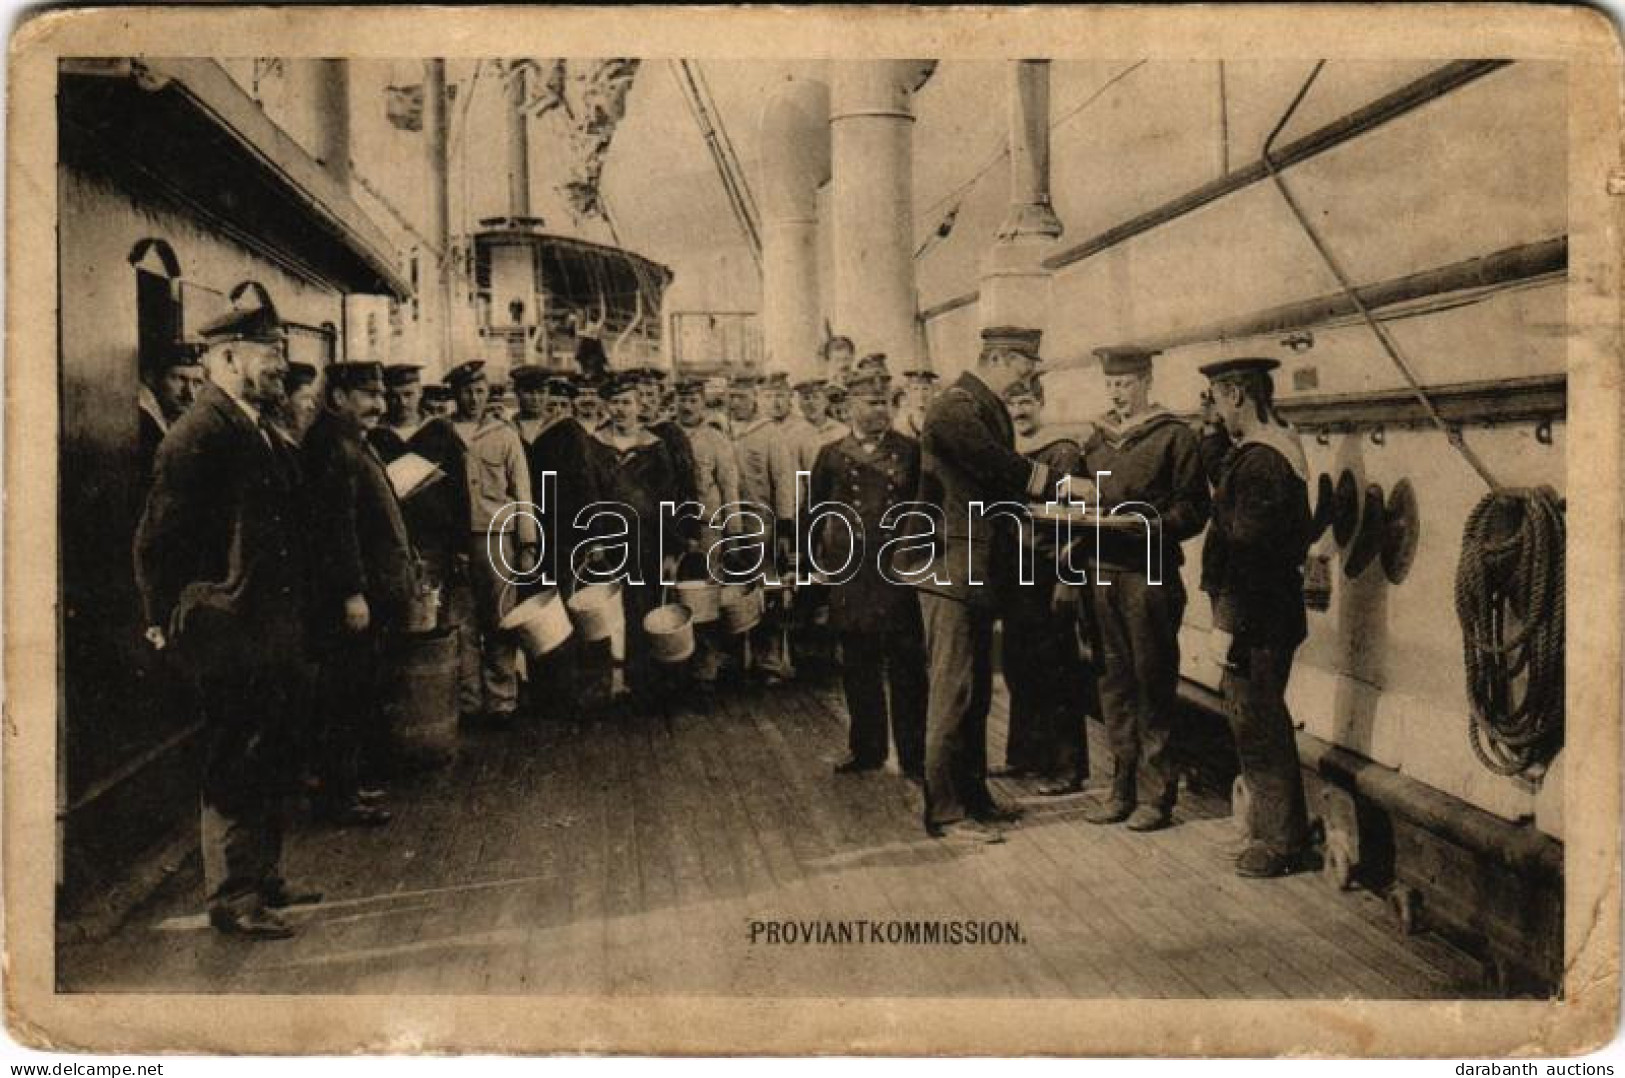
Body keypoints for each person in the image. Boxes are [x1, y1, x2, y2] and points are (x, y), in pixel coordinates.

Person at [134, 303, 315, 940]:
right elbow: (157, 542)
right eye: (271, 355)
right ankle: (233, 897)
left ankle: (264, 878)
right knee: (235, 757)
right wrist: (163, 619)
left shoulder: (253, 426)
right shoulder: (200, 434)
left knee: (270, 747)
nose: (281, 366)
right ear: (231, 357)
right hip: (227, 630)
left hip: (266, 627)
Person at [914, 325, 1060, 844]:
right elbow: (998, 467)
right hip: (951, 572)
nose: (1027, 378)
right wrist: (1056, 482)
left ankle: (974, 799)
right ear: (996, 357)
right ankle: (947, 814)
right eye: (1023, 366)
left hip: (977, 573)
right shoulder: (954, 406)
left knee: (973, 696)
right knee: (951, 695)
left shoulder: (986, 406)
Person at [1068, 345, 1210, 832]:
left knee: (1153, 681)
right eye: (1110, 384)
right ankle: (1120, 788)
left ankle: (1156, 796)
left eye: (1125, 384)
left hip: (1149, 572)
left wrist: (1148, 524)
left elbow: (1194, 509)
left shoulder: (1174, 436)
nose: (1116, 393)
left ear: (1147, 380)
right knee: (1113, 682)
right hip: (1102, 570)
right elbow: (1087, 496)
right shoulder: (1098, 440)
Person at [1197, 356, 1314, 877]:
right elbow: (1224, 473)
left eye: (1219, 400)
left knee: (1259, 723)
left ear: (1237, 395)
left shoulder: (1263, 463)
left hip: (1256, 619)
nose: (1217, 411)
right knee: (1256, 718)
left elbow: (1246, 552)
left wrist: (1226, 624)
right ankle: (1271, 830)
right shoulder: (1269, 453)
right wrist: (1210, 435)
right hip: (1268, 614)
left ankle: (1282, 844)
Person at [302, 361, 416, 827]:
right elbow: (336, 528)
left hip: (371, 596)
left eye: (382, 394)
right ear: (338, 397)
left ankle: (348, 787)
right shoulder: (333, 446)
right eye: (368, 394)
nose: (379, 404)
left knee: (356, 693)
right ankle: (338, 797)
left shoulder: (349, 442)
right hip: (352, 602)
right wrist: (352, 592)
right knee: (343, 696)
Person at [810, 361, 926, 779]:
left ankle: (915, 755)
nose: (881, 410)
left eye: (887, 402)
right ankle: (867, 750)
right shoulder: (831, 455)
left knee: (907, 666)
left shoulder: (911, 452)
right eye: (872, 402)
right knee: (858, 665)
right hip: (852, 573)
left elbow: (925, 509)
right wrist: (817, 568)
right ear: (850, 406)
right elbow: (815, 512)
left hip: (897, 571)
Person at [997, 374, 1092, 795]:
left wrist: (1069, 580)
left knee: (1058, 669)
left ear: (1041, 403)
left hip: (1050, 569)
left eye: (1026, 403)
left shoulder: (1064, 453)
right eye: (1012, 404)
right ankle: (1025, 756)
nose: (1019, 412)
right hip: (1016, 571)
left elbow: (1078, 525)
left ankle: (1068, 766)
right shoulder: (1006, 453)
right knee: (1019, 664)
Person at [444, 360, 539, 727]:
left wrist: (528, 544)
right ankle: (468, 701)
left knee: (501, 619)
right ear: (456, 395)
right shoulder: (443, 433)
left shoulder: (504, 434)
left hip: (499, 540)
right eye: (466, 391)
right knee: (462, 621)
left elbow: (523, 492)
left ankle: (502, 700)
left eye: (480, 391)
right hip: (457, 540)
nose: (473, 398)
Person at [598, 372, 685, 702]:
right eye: (615, 403)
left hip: (646, 541)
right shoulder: (597, 445)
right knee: (608, 611)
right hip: (609, 538)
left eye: (627, 403)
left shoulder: (655, 447)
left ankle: (648, 682)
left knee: (645, 607)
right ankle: (611, 682)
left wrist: (671, 549)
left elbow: (668, 500)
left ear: (639, 406)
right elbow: (589, 493)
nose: (621, 410)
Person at [369, 364, 467, 612]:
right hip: (389, 541)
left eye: (408, 395)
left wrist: (461, 546)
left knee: (433, 611)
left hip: (435, 540)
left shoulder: (441, 433)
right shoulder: (374, 435)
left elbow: (460, 493)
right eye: (393, 396)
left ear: (420, 392)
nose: (401, 403)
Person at [730, 372, 798, 680]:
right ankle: (729, 660)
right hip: (729, 524)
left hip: (763, 525)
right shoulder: (722, 429)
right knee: (730, 591)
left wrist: (785, 525)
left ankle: (768, 660)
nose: (736, 402)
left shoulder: (770, 434)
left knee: (767, 591)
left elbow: (784, 481)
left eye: (742, 396)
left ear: (754, 399)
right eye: (731, 396)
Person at [138, 342, 206, 484]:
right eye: (179, 379)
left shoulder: (170, 418)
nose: (190, 393)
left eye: (197, 383)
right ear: (151, 379)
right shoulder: (143, 424)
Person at [792, 377, 848, 473]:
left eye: (816, 397)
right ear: (799, 405)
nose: (811, 403)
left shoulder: (842, 432)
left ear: (826, 401)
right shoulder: (793, 435)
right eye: (806, 398)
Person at [271, 361, 320, 446]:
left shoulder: (310, 441)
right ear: (283, 399)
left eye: (313, 399)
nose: (312, 406)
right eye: (305, 398)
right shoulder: (273, 439)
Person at [894, 368, 939, 439]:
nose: (921, 394)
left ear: (933, 391)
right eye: (915, 389)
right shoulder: (902, 423)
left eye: (925, 389)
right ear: (908, 392)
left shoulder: (939, 420)